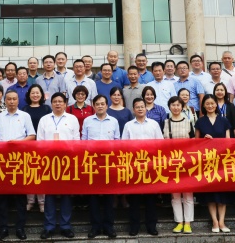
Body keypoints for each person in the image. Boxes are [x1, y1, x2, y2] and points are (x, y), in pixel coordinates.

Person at [36, 93, 79, 239]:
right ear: (51, 103)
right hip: (49, 161)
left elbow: (76, 141)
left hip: (67, 162)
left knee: (66, 194)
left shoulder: (72, 119)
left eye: (60, 101)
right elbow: (40, 141)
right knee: (49, 194)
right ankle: (49, 226)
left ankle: (65, 226)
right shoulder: (44, 119)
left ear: (65, 103)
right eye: (55, 101)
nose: (58, 104)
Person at [0, 90, 36, 241]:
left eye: (14, 99)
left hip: (20, 159)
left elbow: (32, 136)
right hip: (2, 160)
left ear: (18, 101)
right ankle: (3, 228)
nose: (11, 102)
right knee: (2, 197)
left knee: (20, 197)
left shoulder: (25, 116)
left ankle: (20, 227)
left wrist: (18, 143)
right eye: (9, 99)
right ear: (5, 101)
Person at [81, 95, 120, 239]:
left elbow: (117, 141)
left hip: (109, 162)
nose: (100, 106)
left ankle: (109, 226)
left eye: (102, 104)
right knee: (93, 196)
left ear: (107, 105)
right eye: (97, 104)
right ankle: (95, 226)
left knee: (109, 196)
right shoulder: (87, 121)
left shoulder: (114, 121)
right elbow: (83, 141)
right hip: (92, 162)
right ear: (93, 106)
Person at [121, 99, 161, 236]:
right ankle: (134, 226)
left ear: (146, 109)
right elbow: (123, 146)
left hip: (150, 165)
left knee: (151, 198)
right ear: (133, 109)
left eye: (142, 107)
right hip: (134, 165)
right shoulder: (128, 125)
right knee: (134, 198)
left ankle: (151, 226)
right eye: (137, 107)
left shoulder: (154, 124)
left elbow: (160, 144)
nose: (140, 109)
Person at [195, 94, 233, 233]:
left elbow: (228, 142)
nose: (210, 106)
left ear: (216, 105)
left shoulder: (224, 120)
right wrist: (204, 140)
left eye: (212, 103)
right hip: (207, 161)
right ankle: (214, 222)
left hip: (222, 161)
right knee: (210, 193)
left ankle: (222, 222)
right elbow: (195, 142)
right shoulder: (200, 122)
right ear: (204, 106)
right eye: (207, 104)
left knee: (222, 193)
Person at [163, 96, 195, 234]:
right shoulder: (166, 122)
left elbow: (193, 142)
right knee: (175, 195)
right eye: (173, 105)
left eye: (178, 105)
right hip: (172, 162)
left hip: (186, 162)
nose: (176, 107)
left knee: (188, 194)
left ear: (182, 107)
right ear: (169, 107)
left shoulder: (188, 122)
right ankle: (179, 222)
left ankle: (188, 223)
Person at [22, 84, 51, 212]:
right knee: (29, 174)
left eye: (37, 92)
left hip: (43, 145)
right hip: (28, 145)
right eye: (32, 93)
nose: (35, 95)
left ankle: (42, 202)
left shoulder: (47, 108)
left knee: (42, 174)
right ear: (29, 95)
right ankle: (30, 200)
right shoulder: (24, 109)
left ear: (41, 95)